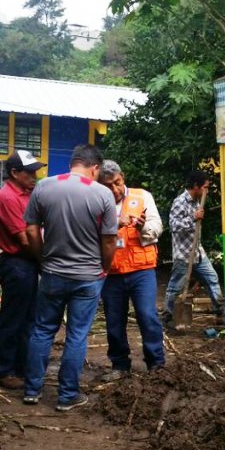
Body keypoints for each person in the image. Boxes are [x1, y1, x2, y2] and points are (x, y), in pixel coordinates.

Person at [23, 144, 118, 412]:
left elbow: (31, 230)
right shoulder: (103, 194)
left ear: (73, 163)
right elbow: (109, 240)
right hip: (88, 277)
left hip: (53, 273)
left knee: (42, 330)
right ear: (95, 168)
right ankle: (67, 396)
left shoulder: (44, 187)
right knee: (77, 335)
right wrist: (105, 268)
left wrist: (42, 259)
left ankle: (32, 390)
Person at [97, 160, 165, 380]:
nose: (114, 189)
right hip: (112, 273)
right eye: (108, 186)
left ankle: (156, 363)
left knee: (147, 315)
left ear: (123, 177)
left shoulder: (142, 196)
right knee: (114, 320)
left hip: (141, 270)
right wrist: (115, 224)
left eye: (117, 183)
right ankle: (119, 365)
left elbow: (157, 228)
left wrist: (143, 226)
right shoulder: (97, 202)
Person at [0, 150, 44, 390]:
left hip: (29, 263)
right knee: (13, 318)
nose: (34, 176)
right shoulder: (8, 198)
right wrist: (46, 261)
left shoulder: (27, 194)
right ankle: (2, 371)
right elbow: (24, 238)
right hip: (18, 263)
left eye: (35, 171)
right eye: (29, 172)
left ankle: (21, 367)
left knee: (28, 317)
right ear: (14, 172)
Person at [162, 170, 224, 325]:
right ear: (196, 185)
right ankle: (168, 316)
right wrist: (193, 218)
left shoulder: (198, 201)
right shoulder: (180, 202)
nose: (206, 191)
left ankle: (220, 312)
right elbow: (173, 226)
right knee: (176, 287)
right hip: (184, 254)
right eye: (205, 187)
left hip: (198, 252)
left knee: (212, 278)